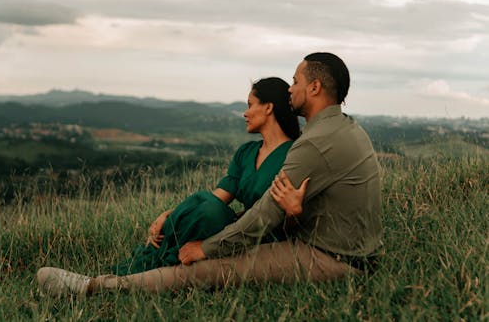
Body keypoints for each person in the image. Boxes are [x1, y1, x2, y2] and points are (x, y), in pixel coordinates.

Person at [37, 52, 383, 297]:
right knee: (208, 214)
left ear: (315, 88)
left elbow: (265, 215)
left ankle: (95, 288)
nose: (290, 87)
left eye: (295, 81)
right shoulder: (346, 130)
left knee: (208, 270)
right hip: (342, 248)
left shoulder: (312, 144)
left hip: (332, 258)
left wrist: (208, 247)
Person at [111, 76, 300, 275]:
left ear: (268, 108)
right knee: (207, 204)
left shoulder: (294, 154)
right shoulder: (246, 152)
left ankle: (159, 260)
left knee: (210, 210)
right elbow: (216, 198)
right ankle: (162, 254)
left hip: (262, 236)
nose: (245, 113)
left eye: (250, 105)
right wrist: (169, 214)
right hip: (236, 228)